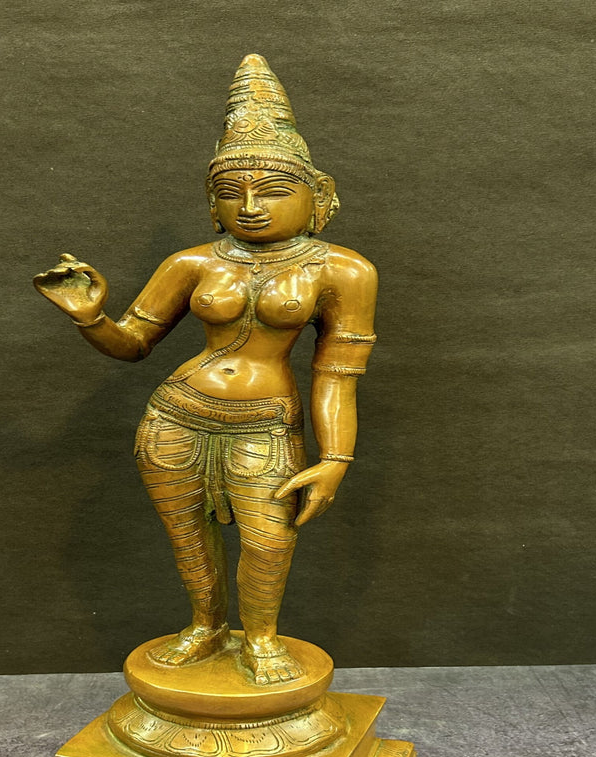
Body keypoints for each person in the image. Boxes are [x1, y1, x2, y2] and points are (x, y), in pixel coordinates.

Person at [33, 54, 377, 686]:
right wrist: (91, 318)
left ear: (319, 196)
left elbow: (337, 373)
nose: (250, 206)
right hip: (176, 415)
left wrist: (336, 457)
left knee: (269, 540)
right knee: (187, 535)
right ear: (211, 203)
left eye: (273, 191)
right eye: (229, 192)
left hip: (263, 423)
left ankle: (262, 639)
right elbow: (134, 344)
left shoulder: (343, 271)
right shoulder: (192, 263)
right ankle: (206, 625)